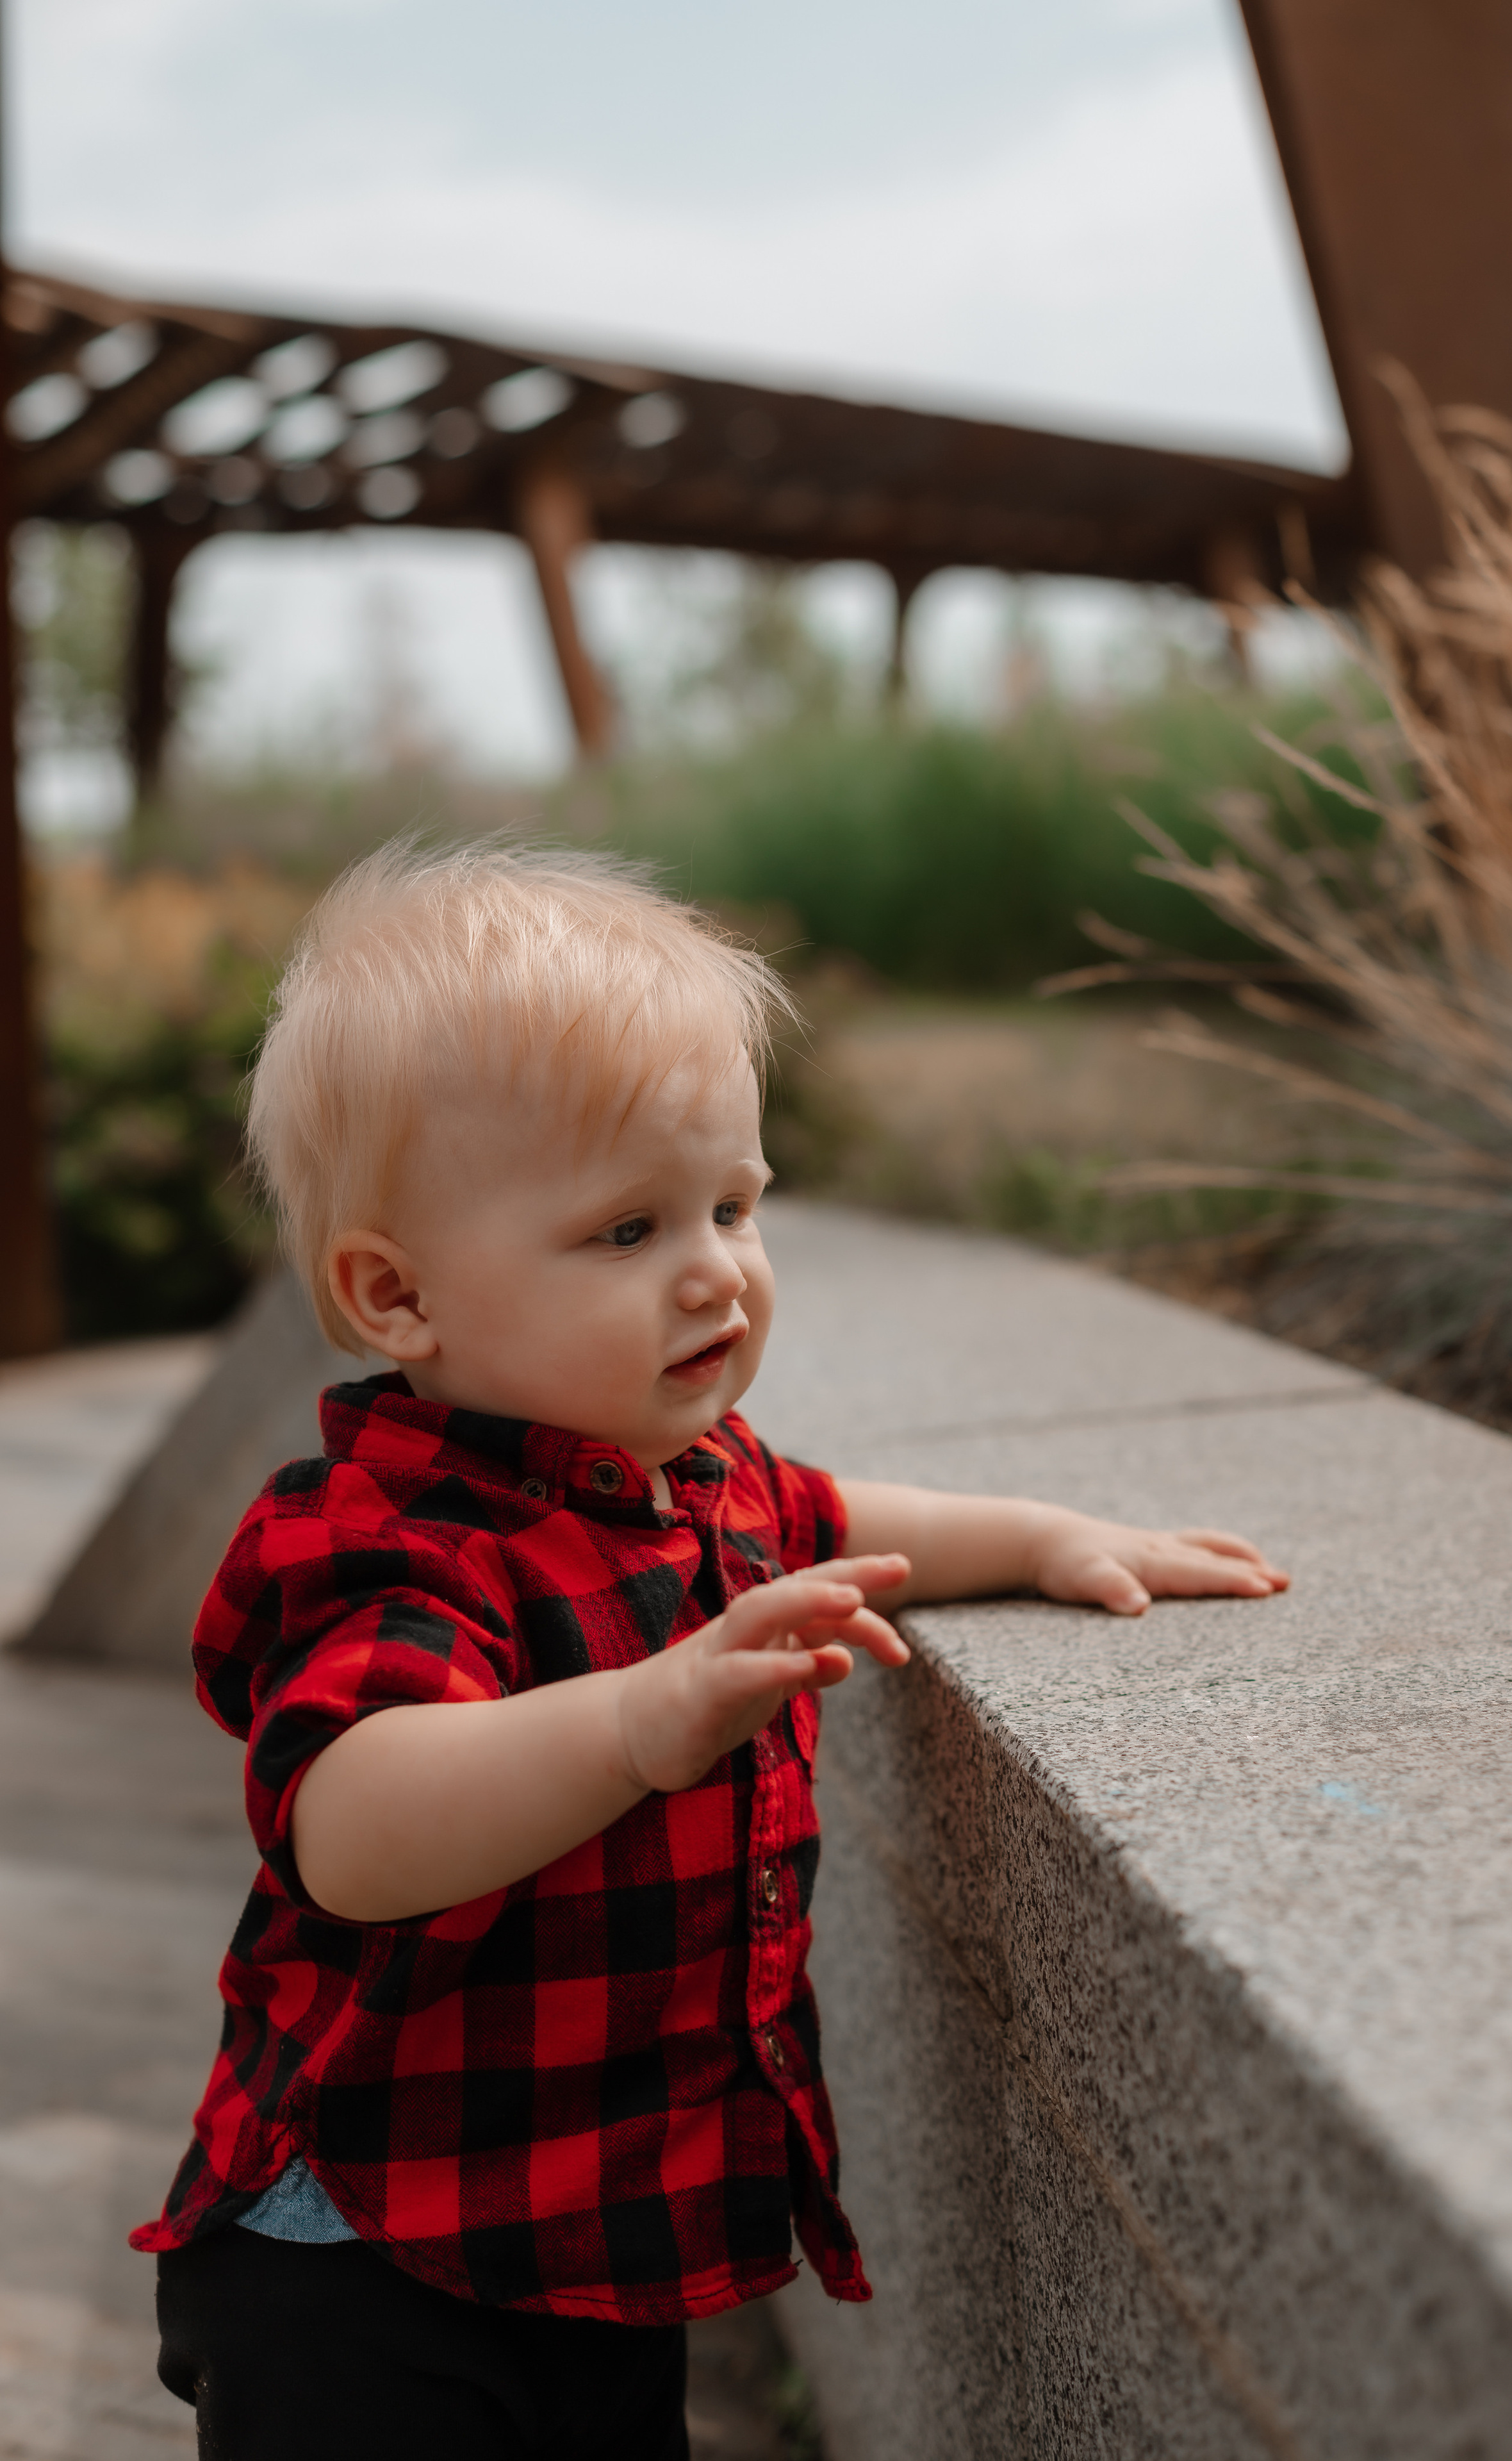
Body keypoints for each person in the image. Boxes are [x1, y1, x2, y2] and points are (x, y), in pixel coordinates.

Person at [135, 843, 1288, 2460]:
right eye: (625, 1231)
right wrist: (635, 1722)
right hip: (374, 2256)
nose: (716, 1271)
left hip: (604, 2233)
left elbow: (838, 1514)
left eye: (735, 1204)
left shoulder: (696, 1480)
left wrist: (1036, 1538)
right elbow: (353, 1827)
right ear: (396, 1295)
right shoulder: (386, 1542)